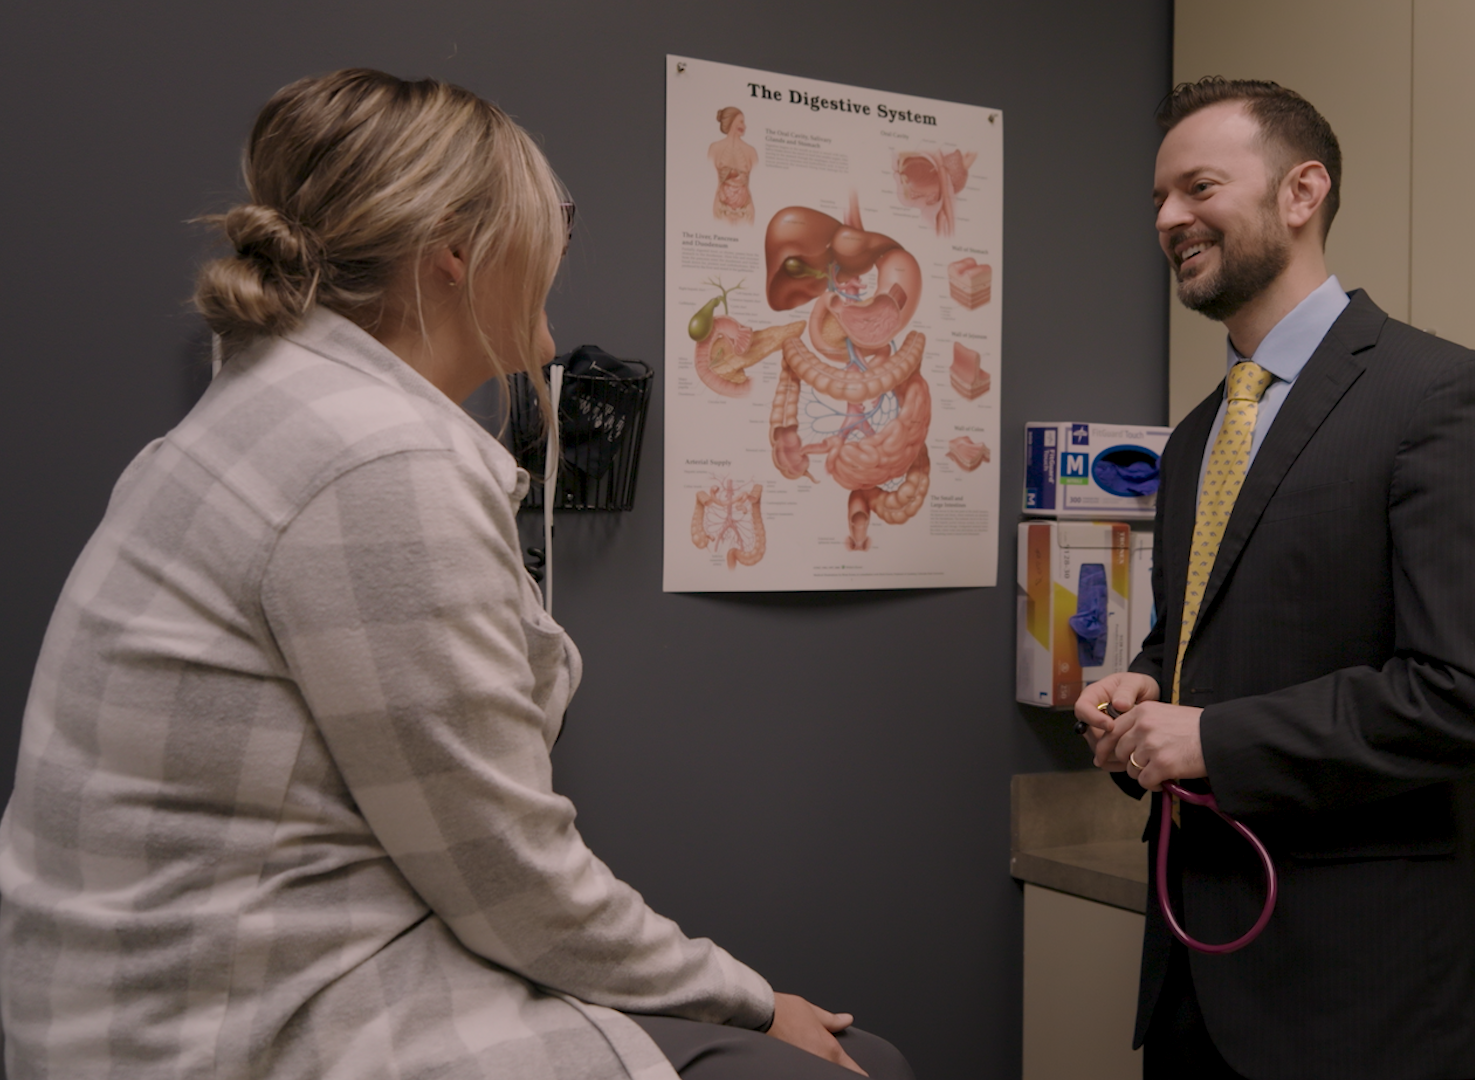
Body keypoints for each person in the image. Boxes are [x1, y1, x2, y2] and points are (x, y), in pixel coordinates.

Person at [0, 69, 910, 1080]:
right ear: (455, 251)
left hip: (177, 997)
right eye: (551, 220)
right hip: (232, 1030)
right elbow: (508, 876)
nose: (563, 246)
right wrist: (747, 998)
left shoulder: (276, 412)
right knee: (834, 1064)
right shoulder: (374, 461)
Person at [1075, 78, 1475, 1080]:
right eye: (1158, 199)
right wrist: (1150, 688)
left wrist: (1211, 737)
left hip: (1364, 994)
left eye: (1199, 187)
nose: (1167, 219)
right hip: (1193, 974)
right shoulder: (1202, 431)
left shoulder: (1443, 398)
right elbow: (1207, 637)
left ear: (1302, 193)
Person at [711, 106, 757, 225]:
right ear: (731, 121)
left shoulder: (751, 151)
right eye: (741, 121)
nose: (745, 126)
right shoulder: (714, 148)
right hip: (721, 207)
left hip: (745, 209)